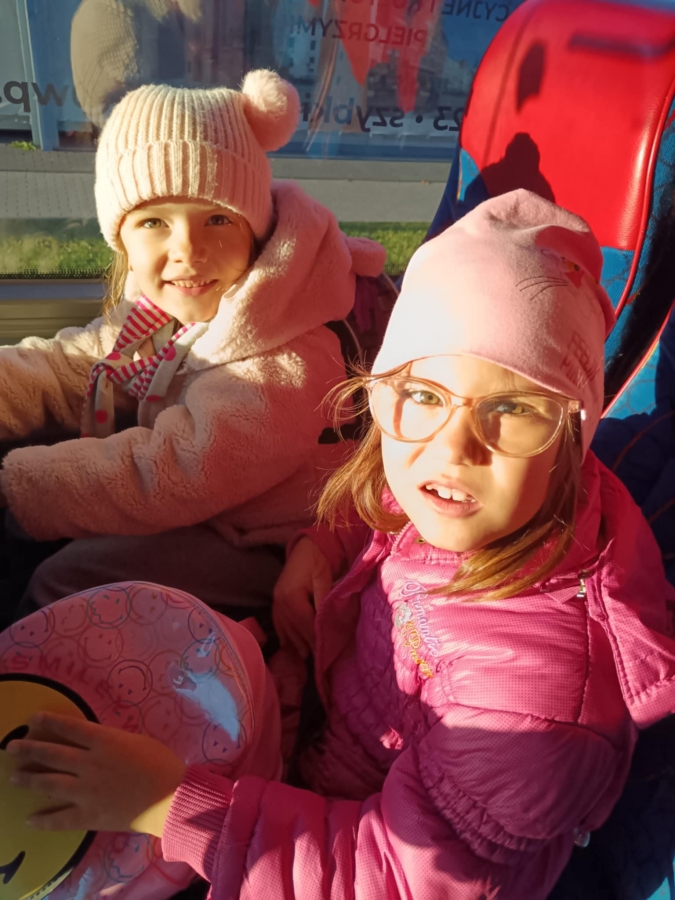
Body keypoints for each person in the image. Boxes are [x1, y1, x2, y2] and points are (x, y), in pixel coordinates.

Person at [9, 190, 675, 900]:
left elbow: (393, 877)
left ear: (571, 440)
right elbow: (382, 503)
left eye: (510, 408)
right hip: (315, 752)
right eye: (423, 394)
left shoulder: (532, 707)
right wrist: (317, 548)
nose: (452, 448)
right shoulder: (467, 496)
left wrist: (165, 806)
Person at [0, 69, 384, 621]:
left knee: (64, 581)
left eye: (217, 220)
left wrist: (17, 489)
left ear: (255, 231)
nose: (187, 249)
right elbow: (76, 363)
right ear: (120, 237)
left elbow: (175, 470)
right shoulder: (168, 308)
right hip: (210, 509)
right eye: (154, 221)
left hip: (269, 540)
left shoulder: (289, 352)